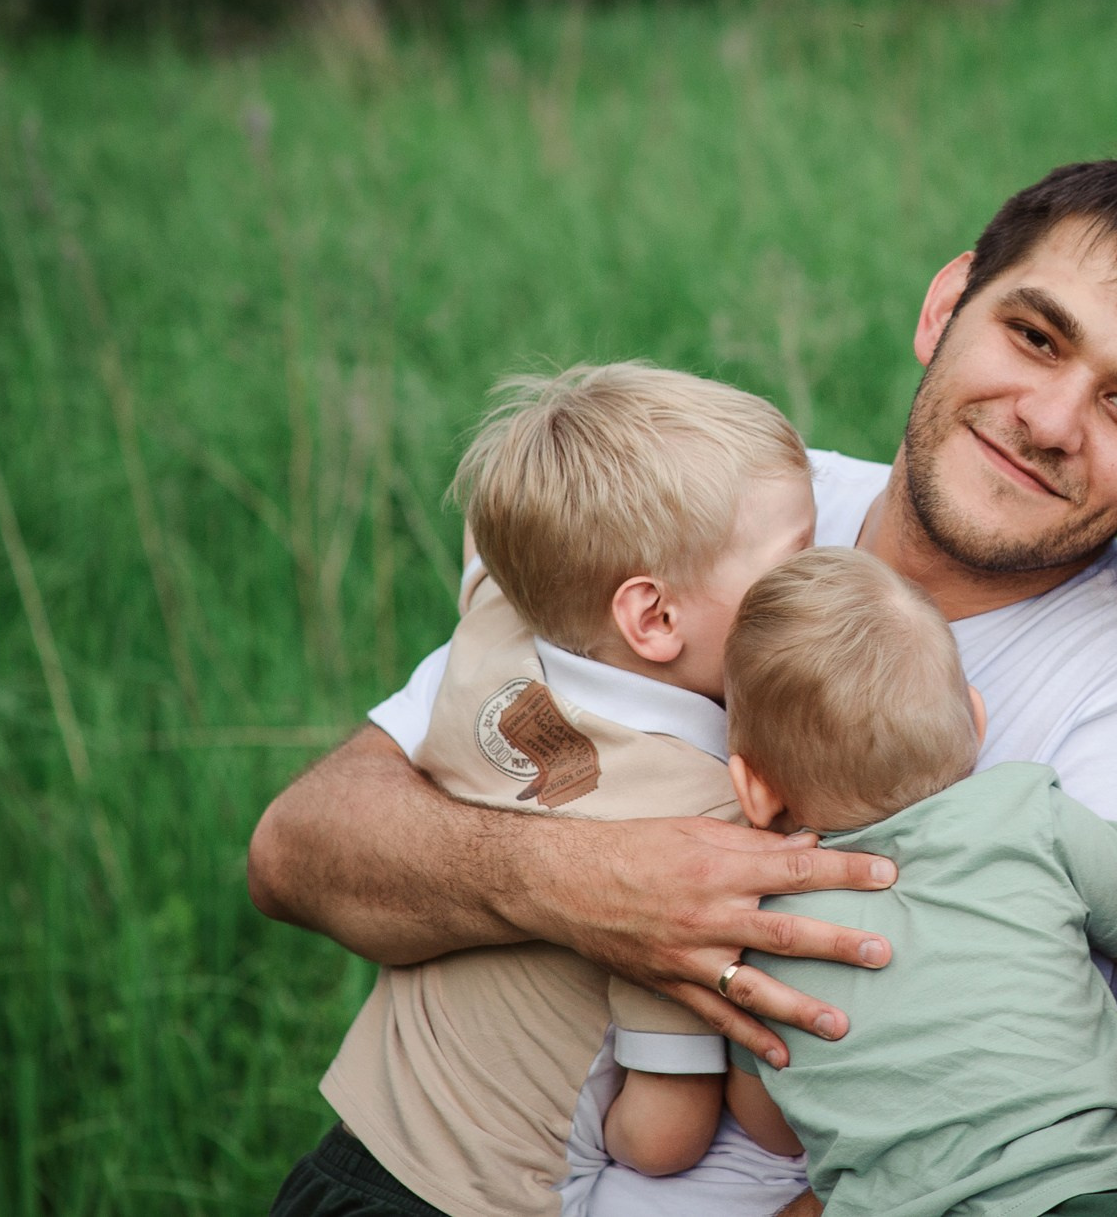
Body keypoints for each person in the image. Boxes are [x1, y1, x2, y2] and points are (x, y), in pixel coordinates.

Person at [248, 157, 1117, 1211]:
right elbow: (297, 850)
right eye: (1034, 335)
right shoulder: (732, 497)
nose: (1052, 419)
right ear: (944, 305)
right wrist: (577, 881)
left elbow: (997, 1156)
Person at [274, 364, 817, 1217]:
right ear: (654, 618)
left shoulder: (495, 627)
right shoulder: (704, 815)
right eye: (797, 562)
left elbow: (492, 550)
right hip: (478, 1199)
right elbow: (661, 1137)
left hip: (341, 1160)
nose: (822, 580)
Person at [608, 546, 1117, 1217]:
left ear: (753, 788)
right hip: (1086, 1183)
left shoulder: (758, 931)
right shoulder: (1032, 814)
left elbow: (775, 1132)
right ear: (976, 718)